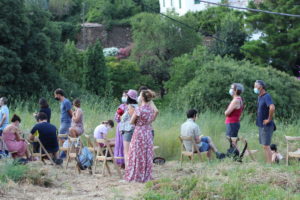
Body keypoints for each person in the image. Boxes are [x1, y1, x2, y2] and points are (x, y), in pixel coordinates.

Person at [125, 90, 158, 183]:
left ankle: (136, 175)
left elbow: (131, 122)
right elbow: (152, 119)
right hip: (148, 132)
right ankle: (145, 175)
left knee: (136, 153)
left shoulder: (139, 109)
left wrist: (137, 121)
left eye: (140, 95)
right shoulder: (151, 109)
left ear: (142, 98)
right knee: (146, 154)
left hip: (139, 132)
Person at [254, 80, 276, 163]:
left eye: (256, 86)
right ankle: (268, 162)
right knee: (264, 146)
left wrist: (269, 119)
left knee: (266, 145)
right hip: (261, 125)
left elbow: (272, 108)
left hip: (267, 125)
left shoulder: (267, 96)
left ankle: (269, 164)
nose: (255, 88)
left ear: (261, 87)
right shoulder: (260, 96)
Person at [120, 89, 138, 168]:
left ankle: (128, 170)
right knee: (132, 151)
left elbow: (132, 120)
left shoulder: (131, 106)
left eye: (127, 96)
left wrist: (121, 116)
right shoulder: (137, 106)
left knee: (127, 151)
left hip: (128, 130)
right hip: (131, 130)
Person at [114, 91, 128, 167]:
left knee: (125, 144)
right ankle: (120, 161)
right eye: (123, 95)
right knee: (119, 144)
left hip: (127, 127)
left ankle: (126, 162)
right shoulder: (121, 105)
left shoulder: (131, 106)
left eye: (125, 95)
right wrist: (118, 117)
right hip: (120, 126)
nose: (123, 97)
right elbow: (116, 117)